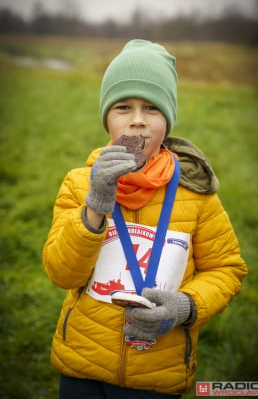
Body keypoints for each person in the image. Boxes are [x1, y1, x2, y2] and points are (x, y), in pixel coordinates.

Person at [43, 39, 247, 399]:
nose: (137, 120)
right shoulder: (78, 183)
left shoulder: (196, 194)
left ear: (167, 120)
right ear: (107, 117)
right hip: (81, 364)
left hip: (159, 372)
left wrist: (185, 307)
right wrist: (96, 202)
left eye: (152, 108)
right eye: (123, 107)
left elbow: (227, 268)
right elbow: (62, 274)